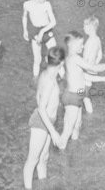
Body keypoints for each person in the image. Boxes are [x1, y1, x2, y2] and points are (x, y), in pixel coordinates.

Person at [59, 31, 105, 150]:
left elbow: (86, 77)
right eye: (80, 44)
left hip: (78, 96)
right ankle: (62, 159)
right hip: (72, 98)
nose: (83, 46)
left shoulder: (75, 59)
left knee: (77, 126)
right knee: (67, 132)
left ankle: (72, 155)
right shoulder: (74, 58)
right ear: (71, 45)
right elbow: (93, 68)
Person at [23, 47, 66, 189]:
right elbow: (41, 108)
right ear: (62, 63)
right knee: (32, 160)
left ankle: (43, 184)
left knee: (44, 157)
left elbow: (37, 96)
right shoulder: (50, 82)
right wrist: (53, 132)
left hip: (48, 122)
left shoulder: (45, 74)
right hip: (42, 122)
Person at [81, 16, 105, 114]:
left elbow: (85, 62)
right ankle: (90, 115)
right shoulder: (97, 39)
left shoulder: (89, 43)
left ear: (90, 28)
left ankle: (89, 116)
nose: (83, 28)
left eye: (84, 26)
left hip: (87, 72)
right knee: (86, 95)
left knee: (84, 97)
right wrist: (95, 65)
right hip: (93, 70)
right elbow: (100, 55)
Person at [22, 0, 57, 78]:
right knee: (37, 59)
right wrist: (25, 30)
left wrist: (42, 32)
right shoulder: (27, 4)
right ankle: (35, 80)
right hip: (35, 32)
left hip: (47, 30)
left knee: (55, 57)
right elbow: (24, 17)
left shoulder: (47, 4)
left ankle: (63, 78)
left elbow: (53, 22)